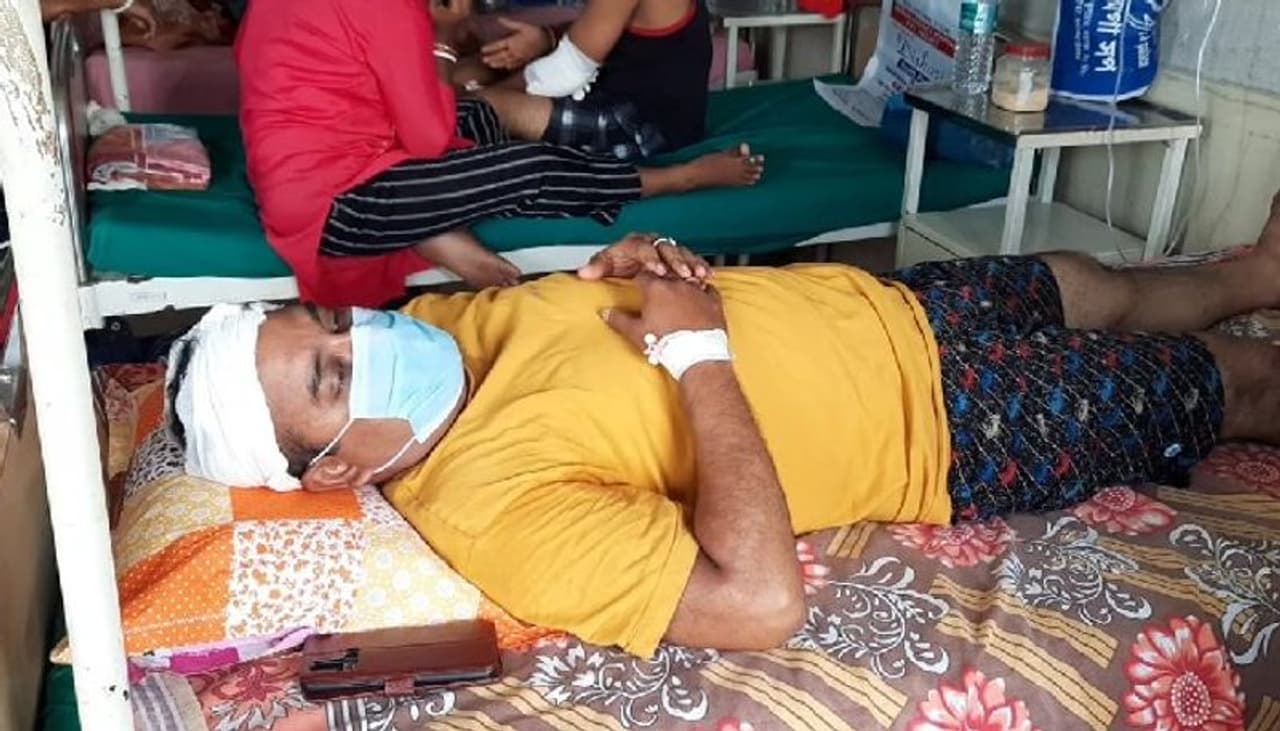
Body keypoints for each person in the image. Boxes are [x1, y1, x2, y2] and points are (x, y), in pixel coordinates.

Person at [165, 200, 1280, 656]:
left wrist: (629, 263)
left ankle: (1254, 275)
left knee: (1094, 281)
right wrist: (698, 355)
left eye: (332, 321)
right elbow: (756, 603)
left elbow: (576, 323)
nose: (366, 336)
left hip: (884, 304)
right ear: (331, 473)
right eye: (332, 375)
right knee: (1231, 385)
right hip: (942, 421)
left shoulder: (439, 326)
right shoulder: (495, 511)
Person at [235, 0, 762, 307]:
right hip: (336, 204)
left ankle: (433, 230)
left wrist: (472, 76)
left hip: (293, 174)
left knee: (480, 114)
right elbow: (429, 140)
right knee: (527, 167)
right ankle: (679, 178)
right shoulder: (391, 11)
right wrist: (443, 40)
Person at [463, 0, 713, 162]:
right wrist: (546, 39)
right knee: (481, 69)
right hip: (614, 95)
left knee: (486, 107)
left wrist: (486, 97)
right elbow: (600, 22)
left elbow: (565, 71)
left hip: (643, 131)